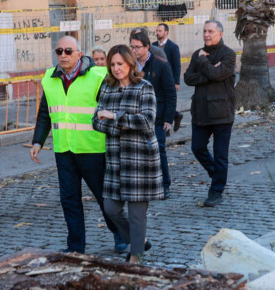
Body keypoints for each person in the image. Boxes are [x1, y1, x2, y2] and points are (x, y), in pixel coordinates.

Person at [30, 36, 123, 254]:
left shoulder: (98, 76)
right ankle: (75, 246)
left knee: (104, 198)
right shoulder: (49, 79)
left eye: (68, 51)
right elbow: (45, 113)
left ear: (79, 54)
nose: (63, 55)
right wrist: (37, 141)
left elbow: (111, 108)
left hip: (93, 149)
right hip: (64, 150)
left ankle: (120, 235)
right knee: (69, 200)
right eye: (59, 51)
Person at [93, 45, 162, 263]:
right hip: (115, 159)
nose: (116, 68)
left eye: (120, 64)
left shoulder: (144, 87)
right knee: (110, 208)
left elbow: (146, 120)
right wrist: (119, 124)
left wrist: (114, 117)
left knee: (136, 213)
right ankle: (138, 240)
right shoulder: (106, 87)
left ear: (130, 64)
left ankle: (136, 257)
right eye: (112, 64)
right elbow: (96, 121)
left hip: (140, 158)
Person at [184, 20, 237, 207]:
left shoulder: (229, 55)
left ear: (220, 34)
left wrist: (203, 62)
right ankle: (217, 175)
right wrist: (210, 71)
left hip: (222, 111)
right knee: (197, 148)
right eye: (205, 31)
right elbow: (188, 78)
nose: (207, 34)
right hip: (201, 111)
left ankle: (216, 191)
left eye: (211, 31)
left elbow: (218, 75)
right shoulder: (197, 53)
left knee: (220, 153)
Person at [130, 29, 177, 198]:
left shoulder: (161, 64)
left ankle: (164, 184)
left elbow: (170, 92)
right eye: (132, 47)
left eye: (137, 47)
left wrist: (168, 119)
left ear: (147, 47)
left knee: (159, 150)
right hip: (136, 116)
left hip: (157, 117)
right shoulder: (130, 66)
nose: (134, 50)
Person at [154, 23, 182, 91]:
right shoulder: (153, 45)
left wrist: (176, 82)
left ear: (166, 32)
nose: (157, 33)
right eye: (157, 31)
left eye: (160, 31)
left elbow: (177, 65)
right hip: (156, 81)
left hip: (169, 80)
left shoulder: (173, 47)